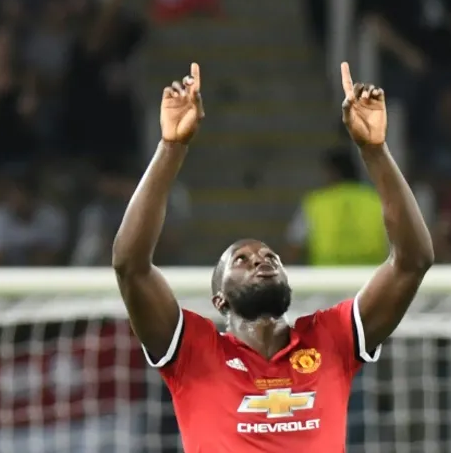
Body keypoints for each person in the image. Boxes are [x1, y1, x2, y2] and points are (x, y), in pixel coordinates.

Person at [112, 62, 434, 452]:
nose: (261, 260)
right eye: (241, 260)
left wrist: (375, 151)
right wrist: (170, 148)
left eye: (271, 257)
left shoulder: (330, 338)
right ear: (219, 300)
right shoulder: (193, 350)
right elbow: (130, 266)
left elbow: (412, 262)